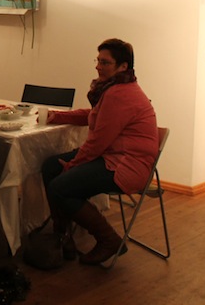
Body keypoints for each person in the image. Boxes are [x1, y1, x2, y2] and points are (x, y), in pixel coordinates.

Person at [40, 38, 158, 265]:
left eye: (105, 62)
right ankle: (63, 235)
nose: (98, 66)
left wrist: (73, 165)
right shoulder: (115, 89)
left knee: (60, 187)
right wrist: (59, 116)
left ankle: (108, 240)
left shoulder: (119, 94)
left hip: (126, 166)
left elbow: (97, 142)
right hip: (111, 157)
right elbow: (94, 115)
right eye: (97, 61)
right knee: (51, 166)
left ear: (123, 66)